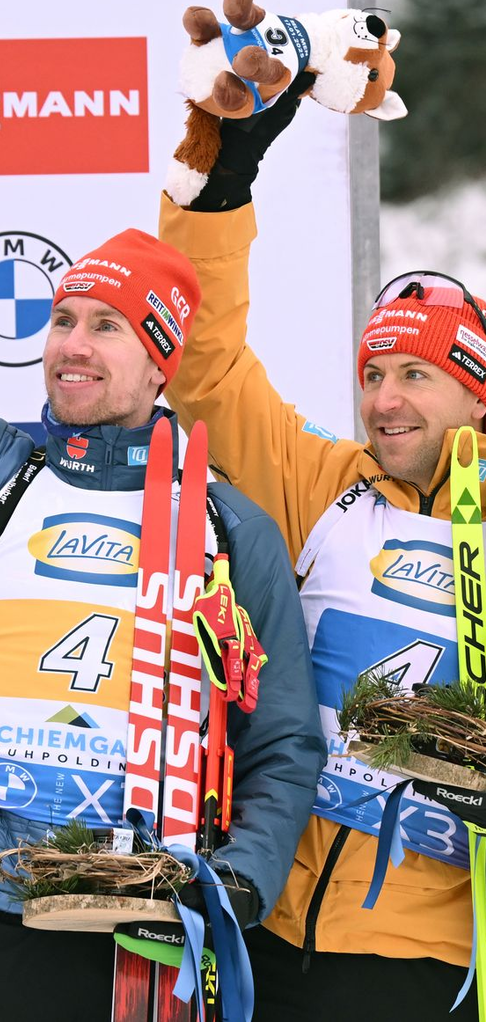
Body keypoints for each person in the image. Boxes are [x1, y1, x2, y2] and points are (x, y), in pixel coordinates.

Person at [0, 47, 326, 1017]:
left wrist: (241, 877)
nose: (72, 343)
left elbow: (282, 737)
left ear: (162, 358)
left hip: (147, 914)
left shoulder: (225, 522)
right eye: (63, 317)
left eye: (107, 325)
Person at [158, 72, 484, 1019]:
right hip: (271, 923)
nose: (384, 398)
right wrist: (225, 181)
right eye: (374, 371)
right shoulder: (325, 486)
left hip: (425, 956)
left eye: (416, 373)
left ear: (475, 392)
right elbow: (208, 368)